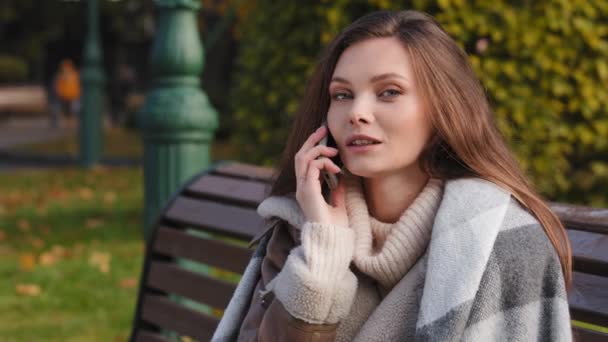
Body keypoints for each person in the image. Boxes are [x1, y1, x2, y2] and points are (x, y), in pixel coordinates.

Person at [213, 10, 572, 342]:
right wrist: (323, 256)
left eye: (389, 92)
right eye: (342, 95)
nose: (357, 112)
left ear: (442, 109)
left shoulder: (503, 244)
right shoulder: (302, 227)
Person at [53, 59, 81, 127]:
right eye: (64, 67)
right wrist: (59, 93)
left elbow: (78, 85)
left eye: (66, 67)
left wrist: (78, 93)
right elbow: (58, 86)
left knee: (74, 111)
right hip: (64, 96)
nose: (65, 69)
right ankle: (67, 123)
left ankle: (73, 123)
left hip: (74, 96)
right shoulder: (61, 76)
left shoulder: (75, 75)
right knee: (65, 111)